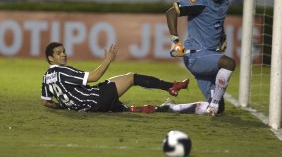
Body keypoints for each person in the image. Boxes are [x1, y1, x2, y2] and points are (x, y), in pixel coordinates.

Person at [41, 42, 189, 112]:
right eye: (59, 53)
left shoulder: (46, 77)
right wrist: (108, 59)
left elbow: (46, 102)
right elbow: (94, 76)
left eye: (64, 51)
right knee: (132, 77)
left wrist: (64, 106)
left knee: (123, 108)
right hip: (96, 98)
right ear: (50, 58)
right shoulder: (63, 71)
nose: (64, 55)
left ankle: (162, 109)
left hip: (87, 107)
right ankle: (171, 86)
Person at [165, 0, 236, 116]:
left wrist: (222, 36)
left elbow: (218, 20)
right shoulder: (200, 1)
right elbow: (171, 12)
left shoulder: (224, 1)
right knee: (229, 63)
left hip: (209, 56)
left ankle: (172, 108)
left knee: (219, 109)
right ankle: (214, 104)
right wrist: (175, 42)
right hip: (196, 56)